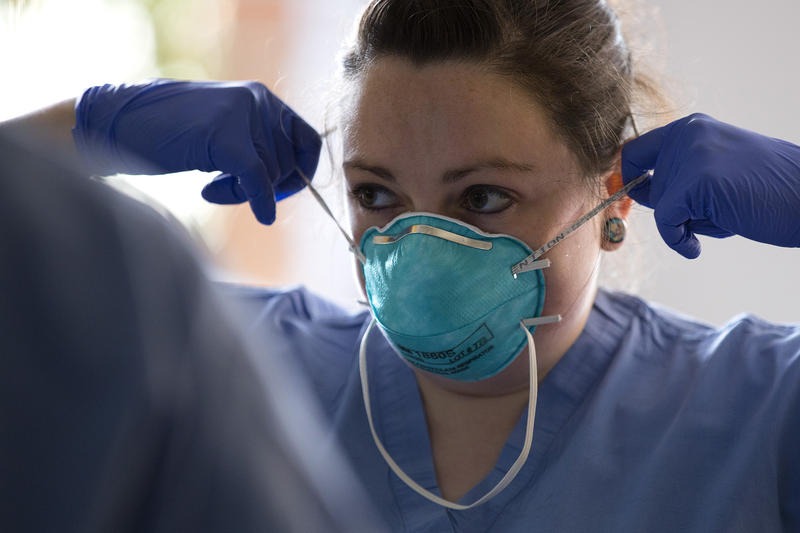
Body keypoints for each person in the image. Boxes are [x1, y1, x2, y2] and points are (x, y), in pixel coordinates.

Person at [3, 0, 799, 531]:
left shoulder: (756, 410)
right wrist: (85, 131)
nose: (417, 250)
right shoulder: (232, 363)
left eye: (484, 196)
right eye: (376, 193)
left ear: (615, 195)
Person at [0, 129, 386, 532]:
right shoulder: (260, 341)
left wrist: (76, 127)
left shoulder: (134, 287)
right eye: (373, 194)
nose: (419, 241)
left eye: (463, 200)